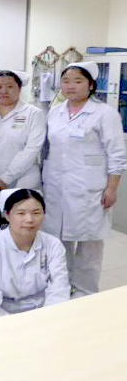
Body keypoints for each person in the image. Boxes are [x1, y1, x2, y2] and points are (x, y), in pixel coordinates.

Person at [43, 61, 127, 297]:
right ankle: (61, 289)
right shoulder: (55, 112)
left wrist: (112, 188)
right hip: (56, 188)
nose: (70, 86)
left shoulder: (105, 114)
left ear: (90, 85)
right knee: (58, 242)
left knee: (89, 246)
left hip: (90, 189)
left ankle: (85, 292)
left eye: (78, 81)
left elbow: (117, 154)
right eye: (66, 81)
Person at [0, 189, 70, 317]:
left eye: (36, 213)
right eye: (21, 213)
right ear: (7, 215)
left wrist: (47, 318)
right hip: (1, 315)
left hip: (45, 311)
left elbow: (59, 290)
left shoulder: (53, 245)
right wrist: (12, 324)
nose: (29, 219)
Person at [0, 70, 45, 191]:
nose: (4, 91)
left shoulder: (34, 114)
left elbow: (32, 149)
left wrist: (6, 178)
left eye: (10, 86)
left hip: (24, 179)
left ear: (19, 89)